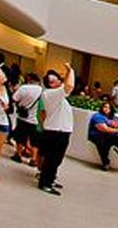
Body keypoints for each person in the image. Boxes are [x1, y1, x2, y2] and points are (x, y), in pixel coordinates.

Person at [38, 63, 75, 195]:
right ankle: (45, 183)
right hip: (55, 131)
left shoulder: (58, 95)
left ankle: (50, 179)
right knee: (52, 159)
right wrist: (70, 70)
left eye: (58, 79)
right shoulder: (50, 94)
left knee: (57, 158)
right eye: (53, 81)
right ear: (49, 84)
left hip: (62, 131)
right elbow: (69, 86)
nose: (58, 82)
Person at [11, 71, 42, 166]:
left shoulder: (23, 88)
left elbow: (14, 99)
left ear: (29, 79)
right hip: (36, 120)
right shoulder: (42, 90)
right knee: (35, 141)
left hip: (23, 118)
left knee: (20, 138)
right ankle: (33, 159)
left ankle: (18, 154)